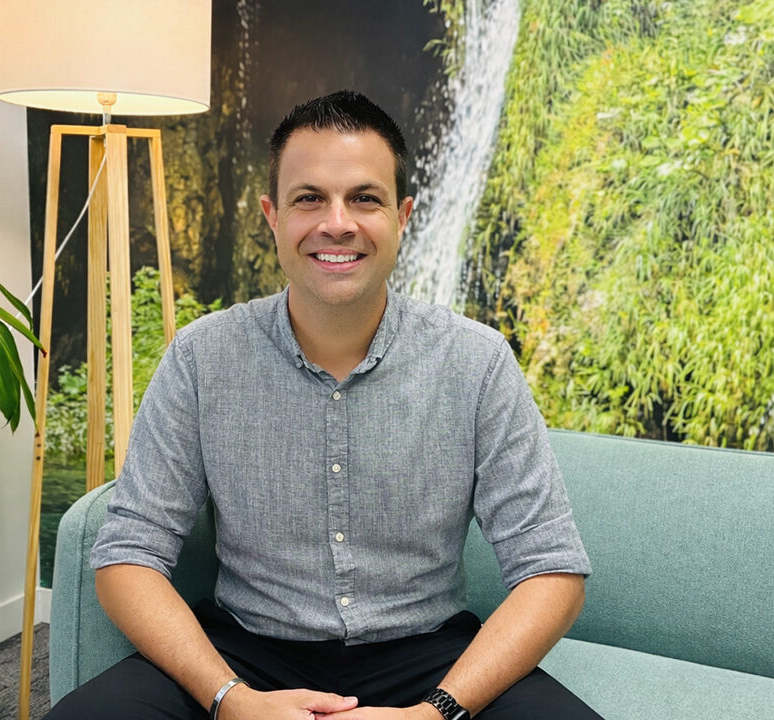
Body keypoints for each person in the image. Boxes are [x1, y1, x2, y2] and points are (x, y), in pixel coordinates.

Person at [46, 90, 601, 720]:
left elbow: (552, 570)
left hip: (429, 659)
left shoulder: (478, 363)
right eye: (309, 198)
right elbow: (128, 554)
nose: (337, 223)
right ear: (272, 217)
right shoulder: (202, 358)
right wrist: (230, 700)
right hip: (244, 654)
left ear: (403, 216)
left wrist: (436, 713)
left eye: (365, 198)